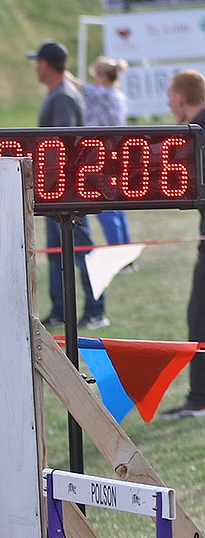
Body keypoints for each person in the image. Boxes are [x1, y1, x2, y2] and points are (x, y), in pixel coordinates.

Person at [30, 40, 105, 330]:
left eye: (37, 61)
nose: (35, 67)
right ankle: (61, 308)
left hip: (68, 189)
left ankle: (96, 309)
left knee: (80, 249)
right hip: (58, 189)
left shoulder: (62, 97)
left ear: (45, 64)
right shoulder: (59, 93)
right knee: (58, 251)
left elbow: (62, 143)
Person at [161, 70, 205, 418]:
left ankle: (199, 398)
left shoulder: (195, 133)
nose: (166, 101)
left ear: (181, 97)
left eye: (169, 94)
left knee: (199, 317)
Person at [83, 57, 132, 249]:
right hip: (117, 154)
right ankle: (127, 253)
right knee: (118, 209)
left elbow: (82, 88)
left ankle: (117, 252)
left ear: (102, 76)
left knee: (106, 208)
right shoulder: (118, 95)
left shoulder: (104, 94)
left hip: (103, 156)